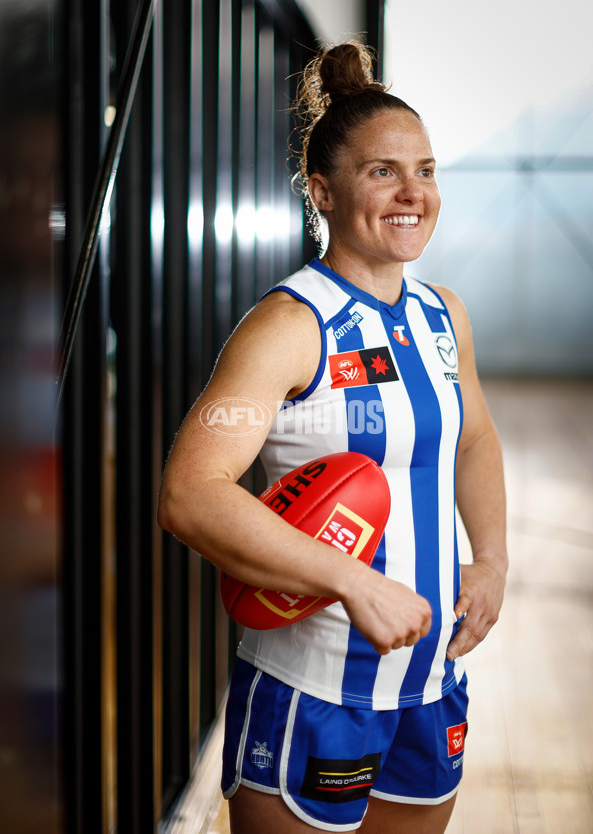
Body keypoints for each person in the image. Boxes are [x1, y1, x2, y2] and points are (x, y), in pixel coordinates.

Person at [158, 41, 508, 834]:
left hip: (430, 684)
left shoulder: (441, 315)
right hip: (310, 690)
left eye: (424, 169)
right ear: (322, 189)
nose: (411, 192)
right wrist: (353, 582)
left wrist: (491, 559)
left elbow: (477, 440)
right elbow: (189, 494)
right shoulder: (289, 325)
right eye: (383, 171)